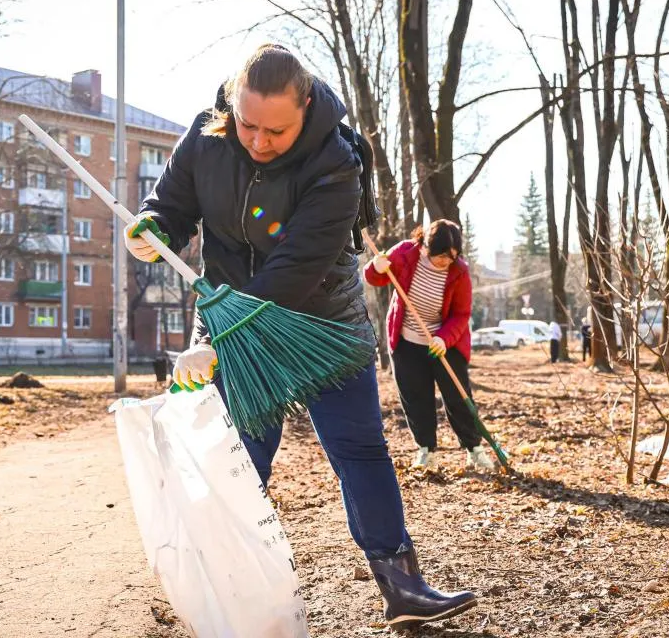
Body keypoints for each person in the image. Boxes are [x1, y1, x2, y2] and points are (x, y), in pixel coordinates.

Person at [122, 44, 476, 629]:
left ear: (306, 107)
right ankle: (223, 587)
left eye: (276, 131)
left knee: (358, 448)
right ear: (233, 105)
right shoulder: (207, 136)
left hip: (321, 325)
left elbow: (295, 269)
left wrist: (222, 340)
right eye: (247, 124)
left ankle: (402, 584)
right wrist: (153, 228)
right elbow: (172, 205)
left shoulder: (338, 163)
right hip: (232, 319)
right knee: (238, 455)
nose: (258, 142)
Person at [364, 221, 496, 473]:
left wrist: (443, 339)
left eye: (452, 256)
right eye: (442, 256)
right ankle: (426, 450)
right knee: (416, 398)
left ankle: (474, 449)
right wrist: (375, 267)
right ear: (426, 247)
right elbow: (375, 278)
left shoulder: (459, 271)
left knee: (458, 397)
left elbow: (461, 314)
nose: (447, 261)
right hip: (407, 342)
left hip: (445, 344)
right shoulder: (405, 253)